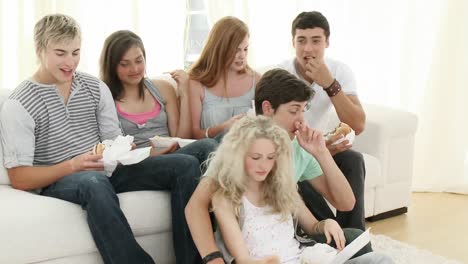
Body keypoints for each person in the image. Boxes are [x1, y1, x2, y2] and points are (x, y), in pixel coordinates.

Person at [0, 14, 199, 264]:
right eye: (60, 53)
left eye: (75, 52)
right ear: (39, 50)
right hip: (61, 178)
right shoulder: (20, 103)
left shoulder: (94, 88)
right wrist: (73, 165)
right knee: (94, 182)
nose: (70, 62)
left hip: (106, 168)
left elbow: (113, 143)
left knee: (185, 165)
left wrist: (137, 151)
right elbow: (19, 178)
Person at [185, 69, 370, 264]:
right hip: (260, 247)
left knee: (357, 239)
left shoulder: (298, 147)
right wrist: (214, 259)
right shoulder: (238, 148)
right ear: (267, 108)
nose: (301, 120)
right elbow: (196, 205)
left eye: (303, 110)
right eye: (293, 110)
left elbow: (347, 203)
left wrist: (321, 152)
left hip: (292, 240)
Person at [206, 115, 392, 263]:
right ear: (238, 156)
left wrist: (327, 223)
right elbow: (243, 259)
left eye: (270, 157)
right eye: (256, 157)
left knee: (381, 260)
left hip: (304, 259)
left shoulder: (283, 188)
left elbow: (312, 226)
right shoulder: (225, 200)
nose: (264, 165)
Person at [277, 11, 367, 230]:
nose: (308, 49)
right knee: (300, 175)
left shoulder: (339, 71)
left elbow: (358, 125)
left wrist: (329, 84)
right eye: (301, 41)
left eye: (315, 40)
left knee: (353, 160)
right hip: (293, 153)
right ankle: (330, 234)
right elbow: (274, 129)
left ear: (327, 42)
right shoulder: (282, 73)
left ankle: (353, 234)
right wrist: (315, 150)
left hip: (320, 147)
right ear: (293, 42)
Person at [99, 30, 217, 164]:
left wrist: (184, 93)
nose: (135, 69)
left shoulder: (163, 88)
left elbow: (181, 138)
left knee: (214, 143)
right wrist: (151, 153)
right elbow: (113, 152)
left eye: (139, 61)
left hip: (173, 156)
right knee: (193, 157)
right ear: (112, 66)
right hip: (138, 163)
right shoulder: (105, 99)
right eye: (125, 64)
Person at [188, 16, 261, 140]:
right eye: (236, 50)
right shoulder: (197, 83)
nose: (242, 55)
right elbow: (194, 134)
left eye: (245, 49)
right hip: (211, 153)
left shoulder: (257, 80)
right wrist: (223, 128)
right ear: (220, 48)